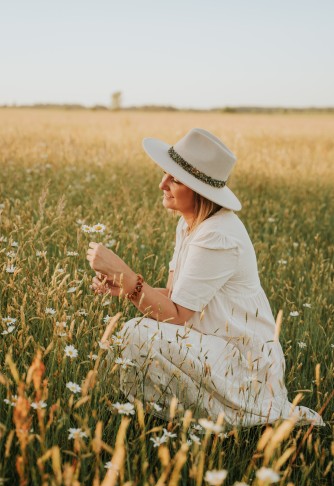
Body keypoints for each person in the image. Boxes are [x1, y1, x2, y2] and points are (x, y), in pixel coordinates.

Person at [86, 128, 324, 427]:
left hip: (244, 363)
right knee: (139, 332)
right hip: (215, 343)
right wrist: (126, 286)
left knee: (136, 332)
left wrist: (130, 279)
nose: (162, 184)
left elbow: (176, 316)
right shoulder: (190, 225)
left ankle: (228, 415)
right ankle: (179, 417)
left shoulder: (217, 235)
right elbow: (175, 295)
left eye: (174, 179)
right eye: (165, 174)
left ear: (199, 190)